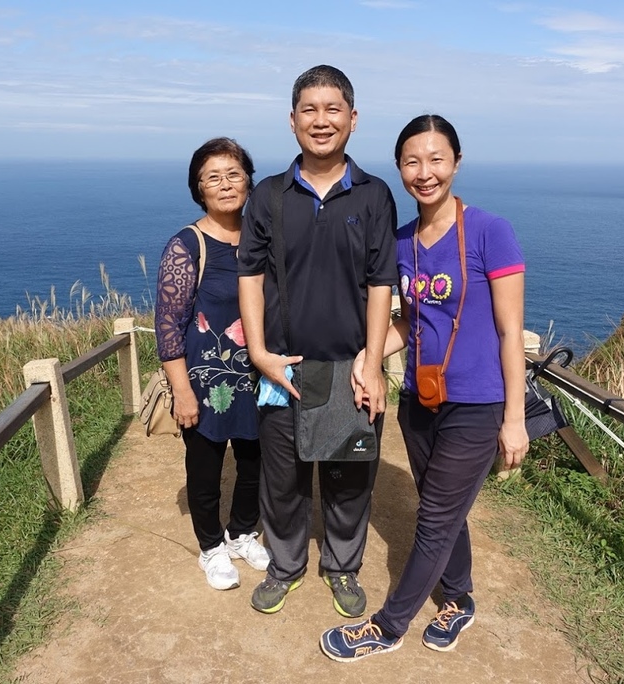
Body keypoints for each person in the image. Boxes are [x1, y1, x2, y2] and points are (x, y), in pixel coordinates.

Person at [319, 114, 529, 661]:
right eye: (412, 161)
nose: (425, 172)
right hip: (419, 398)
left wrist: (514, 419)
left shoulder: (490, 231)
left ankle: (387, 627)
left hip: (477, 402)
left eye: (436, 159)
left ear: (456, 162)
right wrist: (367, 359)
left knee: (434, 517)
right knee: (443, 508)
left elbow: (511, 332)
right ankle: (458, 597)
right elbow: (411, 322)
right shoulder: (402, 241)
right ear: (399, 168)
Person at [238, 65, 398, 616]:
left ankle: (342, 567)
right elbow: (250, 276)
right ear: (292, 120)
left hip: (350, 367)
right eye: (309, 109)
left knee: (349, 478)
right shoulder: (269, 196)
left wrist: (371, 364)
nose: (321, 120)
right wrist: (259, 354)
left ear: (353, 118)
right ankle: (285, 567)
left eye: (333, 109)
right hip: (284, 368)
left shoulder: (374, 196)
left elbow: (381, 282)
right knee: (282, 478)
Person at [155, 137, 270, 591]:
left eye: (233, 174)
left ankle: (242, 533)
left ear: (248, 181)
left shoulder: (262, 239)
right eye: (212, 178)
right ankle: (210, 546)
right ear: (198, 188)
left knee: (255, 461)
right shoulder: (188, 244)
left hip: (258, 377)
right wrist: (182, 391)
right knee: (204, 468)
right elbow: (168, 324)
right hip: (204, 381)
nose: (225, 184)